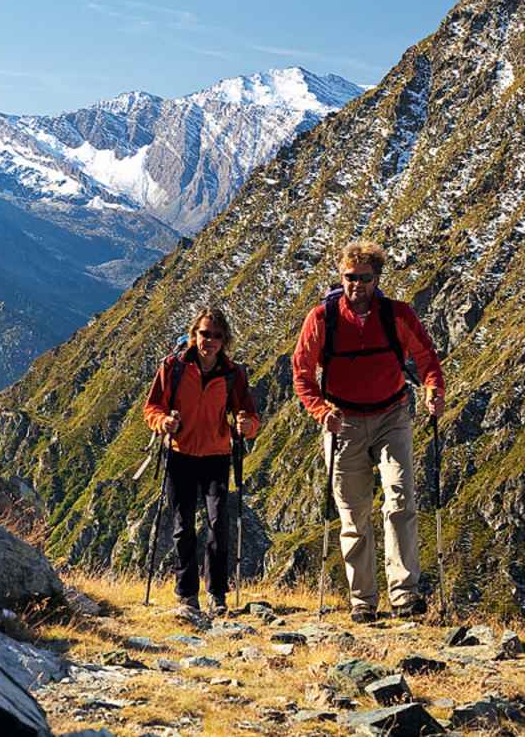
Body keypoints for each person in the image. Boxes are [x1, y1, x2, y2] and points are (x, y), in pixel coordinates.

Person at [292, 241, 445, 622]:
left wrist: (434, 391)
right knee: (353, 512)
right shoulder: (321, 318)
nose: (356, 285)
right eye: (349, 277)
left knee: (400, 501)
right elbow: (302, 373)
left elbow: (427, 358)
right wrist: (320, 410)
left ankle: (405, 594)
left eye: (364, 278)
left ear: (378, 279)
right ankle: (363, 600)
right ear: (340, 276)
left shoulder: (397, 315)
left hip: (392, 415)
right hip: (341, 419)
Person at [143, 307, 262, 615]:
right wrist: (162, 423)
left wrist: (247, 425)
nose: (209, 340)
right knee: (183, 527)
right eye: (204, 334)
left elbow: (247, 412)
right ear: (194, 335)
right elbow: (152, 407)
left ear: (224, 341)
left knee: (218, 524)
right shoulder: (174, 367)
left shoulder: (233, 374)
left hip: (216, 457)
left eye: (216, 336)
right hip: (180, 454)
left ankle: (217, 594)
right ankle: (186, 594)